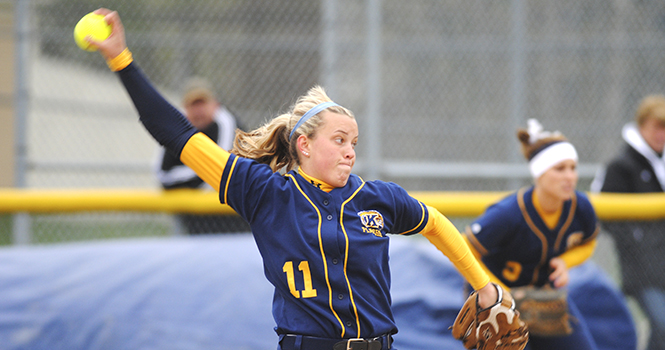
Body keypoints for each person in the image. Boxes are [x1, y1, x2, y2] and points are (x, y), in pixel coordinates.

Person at [88, 8, 516, 350]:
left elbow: (435, 223)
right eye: (339, 139)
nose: (351, 149)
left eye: (355, 140)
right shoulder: (264, 193)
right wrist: (121, 60)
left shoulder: (376, 198)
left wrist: (484, 287)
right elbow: (176, 133)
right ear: (305, 146)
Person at [463, 119, 603, 350]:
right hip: (492, 297)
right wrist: (494, 291)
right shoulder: (508, 213)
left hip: (542, 295)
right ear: (539, 174)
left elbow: (588, 243)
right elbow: (464, 250)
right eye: (559, 169)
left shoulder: (580, 207)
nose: (570, 176)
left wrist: (565, 262)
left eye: (573, 168)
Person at [591, 94, 665, 350]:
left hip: (662, 263)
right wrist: (637, 239)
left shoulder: (660, 165)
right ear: (642, 125)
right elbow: (606, 212)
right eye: (658, 126)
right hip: (641, 269)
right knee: (662, 324)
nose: (661, 134)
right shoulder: (622, 166)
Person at [154, 77, 250, 234]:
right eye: (193, 105)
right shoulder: (177, 127)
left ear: (215, 105)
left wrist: (190, 182)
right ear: (185, 109)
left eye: (203, 103)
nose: (199, 110)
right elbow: (164, 176)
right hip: (195, 217)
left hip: (233, 216)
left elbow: (222, 171)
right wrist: (203, 176)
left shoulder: (228, 123)